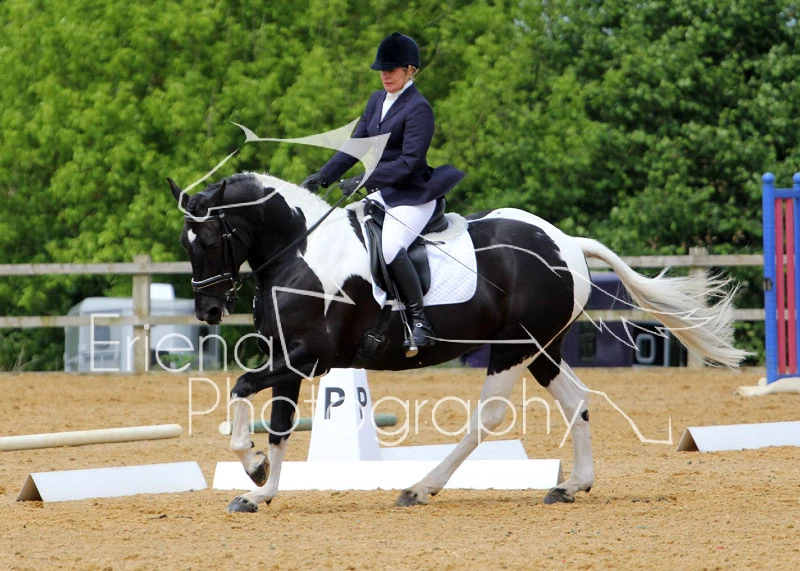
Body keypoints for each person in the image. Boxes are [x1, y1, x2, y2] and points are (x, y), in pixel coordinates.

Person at [302, 32, 464, 356]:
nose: (385, 75)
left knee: (390, 246)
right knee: (347, 234)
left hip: (413, 194)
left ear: (410, 70)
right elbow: (357, 145)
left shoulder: (419, 108)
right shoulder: (377, 101)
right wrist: (325, 175)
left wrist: (362, 180)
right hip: (383, 191)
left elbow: (409, 162)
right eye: (382, 70)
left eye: (392, 70)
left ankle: (420, 322)